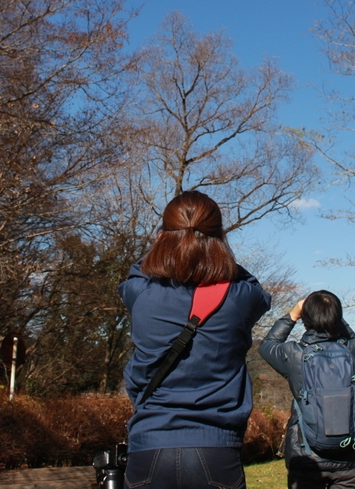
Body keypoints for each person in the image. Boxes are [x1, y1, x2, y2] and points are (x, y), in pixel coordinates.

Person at [119, 190, 271, 489]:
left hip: (149, 447)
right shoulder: (239, 298)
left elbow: (137, 272)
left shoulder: (140, 294)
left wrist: (168, 245)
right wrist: (216, 255)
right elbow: (257, 291)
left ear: (163, 235)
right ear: (219, 237)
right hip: (216, 449)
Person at [259, 291, 355, 489]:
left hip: (306, 456)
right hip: (349, 457)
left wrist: (293, 314)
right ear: (337, 317)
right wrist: (331, 314)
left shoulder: (294, 354)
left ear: (305, 318)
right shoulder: (353, 352)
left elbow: (267, 345)